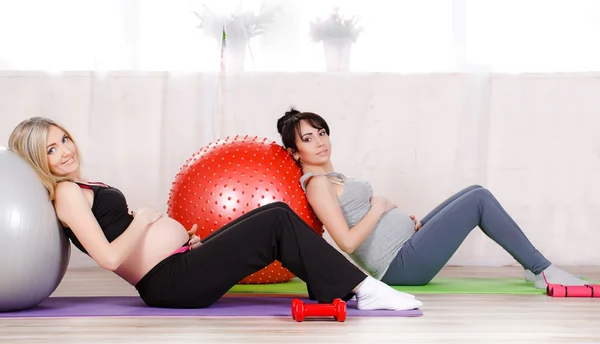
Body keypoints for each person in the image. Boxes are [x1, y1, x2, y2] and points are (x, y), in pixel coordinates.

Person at [7, 116, 422, 311]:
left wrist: (177, 238)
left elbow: (124, 244)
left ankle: (338, 288)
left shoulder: (80, 186)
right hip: (170, 283)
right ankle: (362, 289)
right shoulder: (64, 193)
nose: (65, 150)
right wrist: (146, 220)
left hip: (179, 264)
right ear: (36, 159)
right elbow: (110, 257)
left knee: (274, 219)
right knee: (276, 216)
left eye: (63, 139)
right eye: (50, 149)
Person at [277, 109, 590, 290]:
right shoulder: (317, 184)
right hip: (399, 267)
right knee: (478, 200)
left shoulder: (335, 177)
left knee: (473, 190)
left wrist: (405, 225)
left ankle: (530, 266)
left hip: (406, 248)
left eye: (321, 133)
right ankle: (542, 269)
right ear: (295, 152)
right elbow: (346, 242)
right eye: (308, 139)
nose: (320, 142)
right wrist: (379, 207)